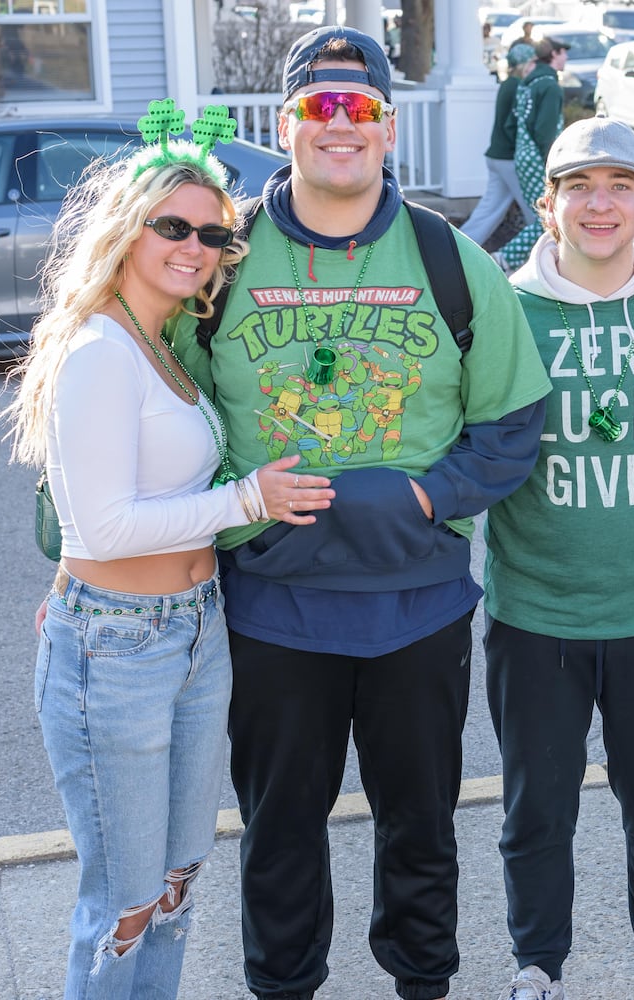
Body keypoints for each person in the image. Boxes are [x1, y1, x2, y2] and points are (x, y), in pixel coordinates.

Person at [165, 27, 551, 1000]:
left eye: (361, 107)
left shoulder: (448, 258)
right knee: (279, 834)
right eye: (320, 107)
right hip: (271, 611)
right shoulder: (220, 265)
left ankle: (423, 983)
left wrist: (422, 493)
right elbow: (155, 416)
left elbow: (511, 425)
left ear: (387, 130)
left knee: (418, 828)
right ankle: (283, 986)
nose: (341, 125)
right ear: (287, 124)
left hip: (414, 610)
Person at [2, 106, 333, 998]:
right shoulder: (101, 349)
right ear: (128, 228)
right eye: (173, 226)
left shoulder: (162, 342)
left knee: (179, 883)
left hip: (194, 633)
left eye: (213, 233)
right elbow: (101, 530)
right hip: (118, 648)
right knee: (125, 903)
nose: (195, 246)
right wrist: (247, 499)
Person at [485, 118, 634, 1000]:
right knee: (536, 814)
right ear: (548, 205)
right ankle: (537, 969)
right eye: (580, 185)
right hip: (534, 613)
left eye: (621, 185)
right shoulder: (505, 310)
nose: (600, 203)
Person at [497, 37, 569, 273]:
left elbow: (511, 124)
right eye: (563, 52)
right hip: (541, 159)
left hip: (523, 156)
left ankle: (542, 265)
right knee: (549, 217)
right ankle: (503, 260)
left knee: (543, 216)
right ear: (553, 55)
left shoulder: (527, 83)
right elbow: (544, 132)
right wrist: (555, 161)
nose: (566, 57)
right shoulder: (549, 85)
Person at [460, 42, 538, 248]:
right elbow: (512, 124)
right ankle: (544, 250)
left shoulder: (507, 84)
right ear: (524, 64)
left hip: (496, 156)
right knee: (536, 211)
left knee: (488, 210)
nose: (534, 67)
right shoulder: (516, 86)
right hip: (509, 158)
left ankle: (458, 247)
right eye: (532, 62)